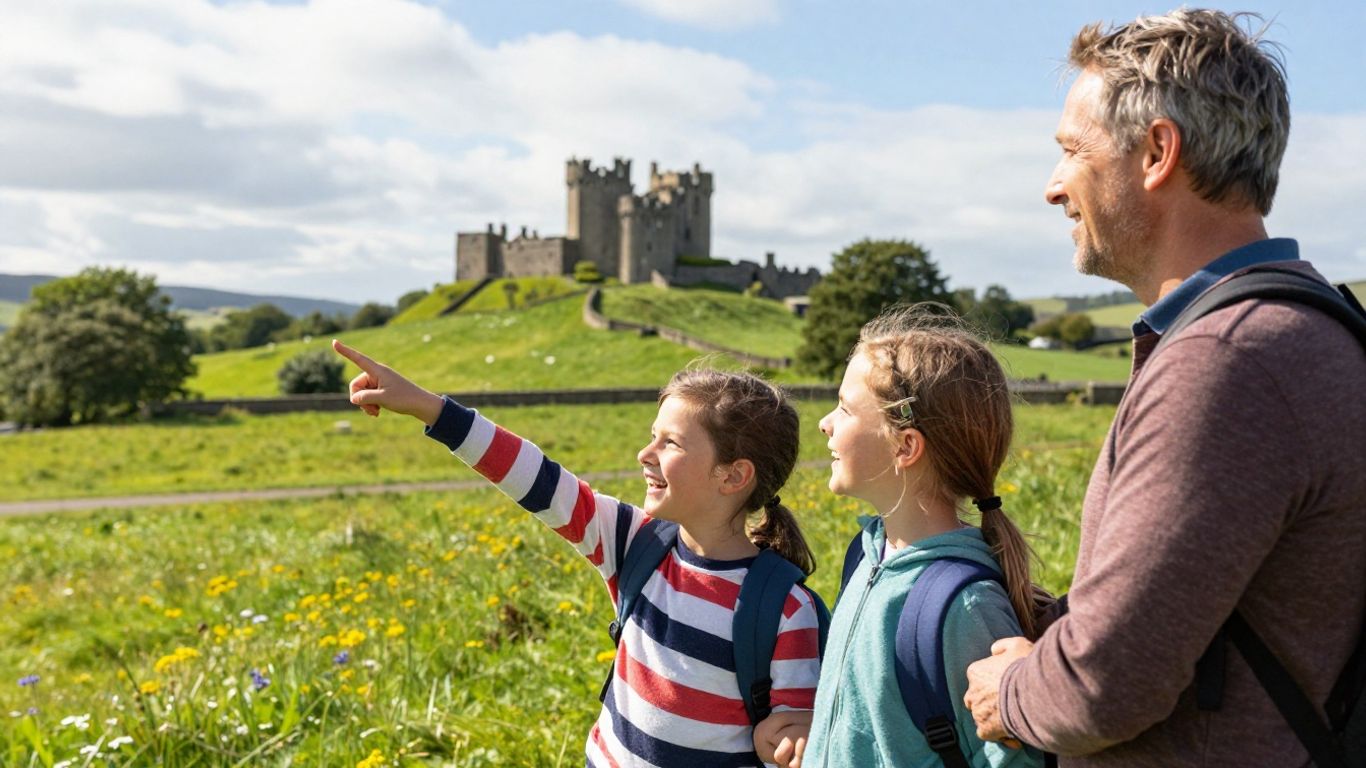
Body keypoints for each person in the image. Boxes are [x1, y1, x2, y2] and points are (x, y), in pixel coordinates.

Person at [962, 9, 1366, 766]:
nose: (1053, 187)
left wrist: (1010, 689)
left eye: (1072, 151)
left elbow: (1105, 684)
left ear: (1156, 152)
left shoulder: (1229, 361)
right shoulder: (1301, 327)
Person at [330, 340, 824, 767]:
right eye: (651, 436)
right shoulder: (635, 542)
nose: (645, 454)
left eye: (670, 443)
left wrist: (794, 736)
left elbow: (794, 734)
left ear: (733, 476)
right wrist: (428, 407)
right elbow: (534, 476)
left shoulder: (785, 610)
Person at [756, 306, 1046, 768]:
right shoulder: (867, 553)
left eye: (845, 409)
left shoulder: (964, 607)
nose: (825, 423)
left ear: (905, 446)